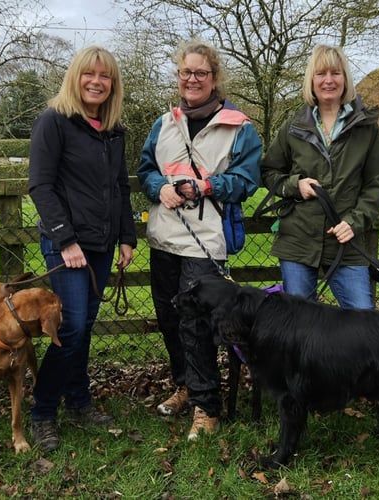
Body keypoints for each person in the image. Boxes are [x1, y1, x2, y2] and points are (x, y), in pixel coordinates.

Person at [137, 40, 262, 439]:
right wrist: (160, 187)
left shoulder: (239, 127)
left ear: (214, 78)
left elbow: (247, 180)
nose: (192, 79)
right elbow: (144, 169)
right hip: (164, 238)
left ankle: (207, 405)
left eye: (200, 73)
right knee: (170, 318)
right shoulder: (164, 123)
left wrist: (206, 186)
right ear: (179, 76)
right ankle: (185, 385)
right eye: (185, 73)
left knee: (197, 325)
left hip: (205, 242)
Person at [28, 46, 137, 452]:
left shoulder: (113, 131)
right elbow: (40, 185)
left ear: (113, 84)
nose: (97, 81)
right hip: (67, 247)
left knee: (84, 327)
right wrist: (65, 239)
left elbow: (120, 188)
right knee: (69, 329)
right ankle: (43, 413)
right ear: (76, 77)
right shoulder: (54, 122)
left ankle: (78, 400)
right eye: (89, 74)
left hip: (102, 245)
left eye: (105, 76)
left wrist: (127, 236)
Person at [260, 44, 379, 309]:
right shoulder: (293, 126)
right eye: (321, 74)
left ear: (345, 79)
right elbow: (269, 171)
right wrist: (295, 185)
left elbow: (377, 182)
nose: (328, 80)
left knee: (361, 318)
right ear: (311, 80)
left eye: (335, 73)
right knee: (299, 324)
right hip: (298, 241)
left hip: (346, 242)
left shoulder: (366, 128)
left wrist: (354, 222)